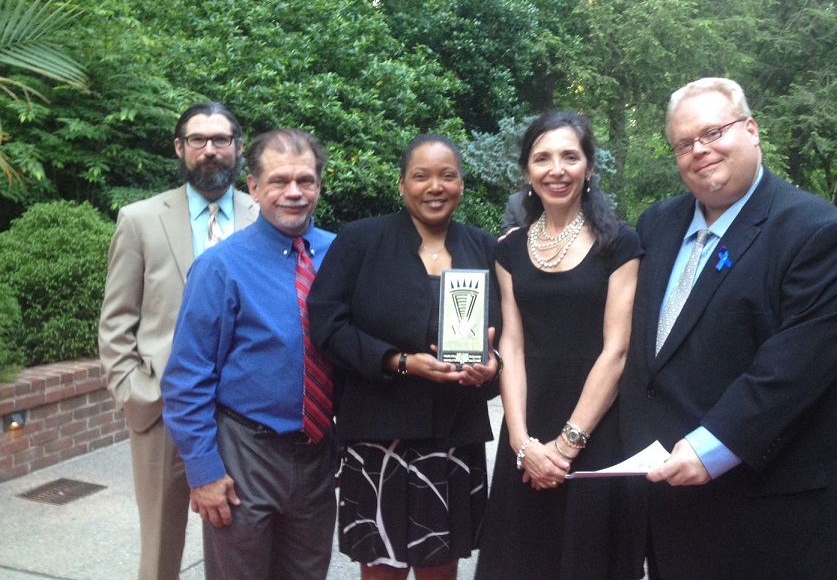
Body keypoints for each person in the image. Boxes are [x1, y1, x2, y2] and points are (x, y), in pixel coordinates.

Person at [620, 78, 837, 579]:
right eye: (685, 143)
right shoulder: (658, 224)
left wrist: (712, 446)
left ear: (751, 130)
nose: (700, 150)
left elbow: (794, 371)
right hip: (675, 514)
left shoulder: (820, 234)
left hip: (776, 523)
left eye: (713, 132)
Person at [307, 133, 501, 580]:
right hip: (378, 437)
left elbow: (505, 339)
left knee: (441, 569)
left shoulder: (484, 248)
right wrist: (397, 361)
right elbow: (326, 326)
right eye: (421, 176)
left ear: (461, 185)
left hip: (452, 437)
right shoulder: (361, 241)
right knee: (382, 568)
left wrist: (490, 371)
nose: (435, 186)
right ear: (401, 185)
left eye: (447, 175)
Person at [161, 129, 338, 580]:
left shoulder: (341, 257)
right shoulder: (220, 267)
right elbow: (186, 379)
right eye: (279, 181)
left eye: (306, 180)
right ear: (254, 188)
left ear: (320, 184)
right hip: (244, 453)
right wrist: (203, 471)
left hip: (319, 453)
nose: (294, 193)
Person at [475, 110, 642, 580]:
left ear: (589, 167)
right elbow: (513, 345)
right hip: (527, 434)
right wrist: (520, 441)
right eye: (542, 158)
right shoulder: (508, 250)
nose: (557, 169)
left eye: (570, 156)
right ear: (528, 171)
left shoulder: (620, 245)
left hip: (596, 430)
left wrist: (567, 446)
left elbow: (618, 350)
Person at [98, 101, 257, 580]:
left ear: (239, 147)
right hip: (164, 407)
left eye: (221, 140)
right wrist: (135, 394)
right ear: (179, 148)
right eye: (197, 141)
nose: (210, 151)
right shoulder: (140, 219)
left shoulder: (265, 215)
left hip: (246, 413)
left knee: (243, 540)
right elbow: (116, 320)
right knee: (161, 549)